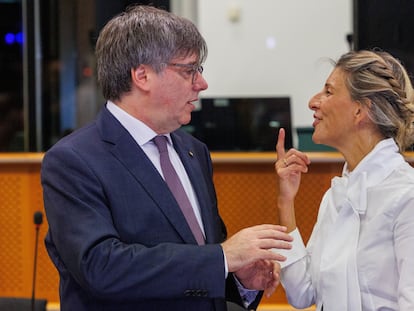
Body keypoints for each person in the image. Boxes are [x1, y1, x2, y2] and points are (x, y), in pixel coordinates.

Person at [41, 5, 292, 311]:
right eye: (189, 70)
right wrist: (223, 258)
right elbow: (101, 267)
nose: (202, 84)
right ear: (143, 75)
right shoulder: (73, 161)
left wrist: (237, 276)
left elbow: (203, 258)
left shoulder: (193, 152)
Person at [274, 49, 414, 311]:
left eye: (328, 91)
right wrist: (286, 201)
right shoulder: (338, 194)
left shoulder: (407, 196)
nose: (313, 102)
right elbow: (302, 292)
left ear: (360, 110)